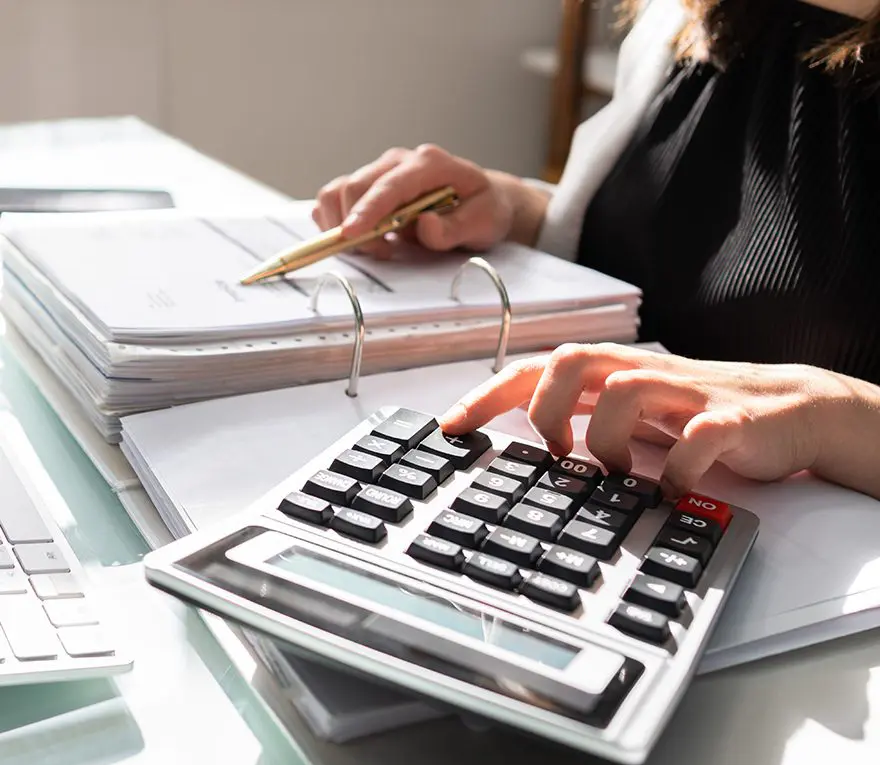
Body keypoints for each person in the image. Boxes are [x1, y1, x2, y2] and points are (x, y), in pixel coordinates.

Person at [311, 0, 880, 501]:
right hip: (611, 491)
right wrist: (514, 209)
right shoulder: (684, 16)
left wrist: (824, 413)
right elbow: (672, 254)